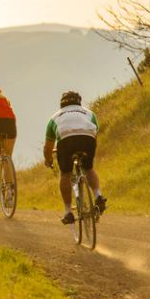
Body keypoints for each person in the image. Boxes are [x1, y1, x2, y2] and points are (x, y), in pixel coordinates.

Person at [43, 90, 107, 224]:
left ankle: (68, 211)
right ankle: (98, 195)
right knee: (89, 169)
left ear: (62, 104)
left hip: (66, 141)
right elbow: (94, 133)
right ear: (79, 102)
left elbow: (48, 147)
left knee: (65, 173)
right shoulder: (89, 113)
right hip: (87, 139)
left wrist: (48, 160)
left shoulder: (54, 118)